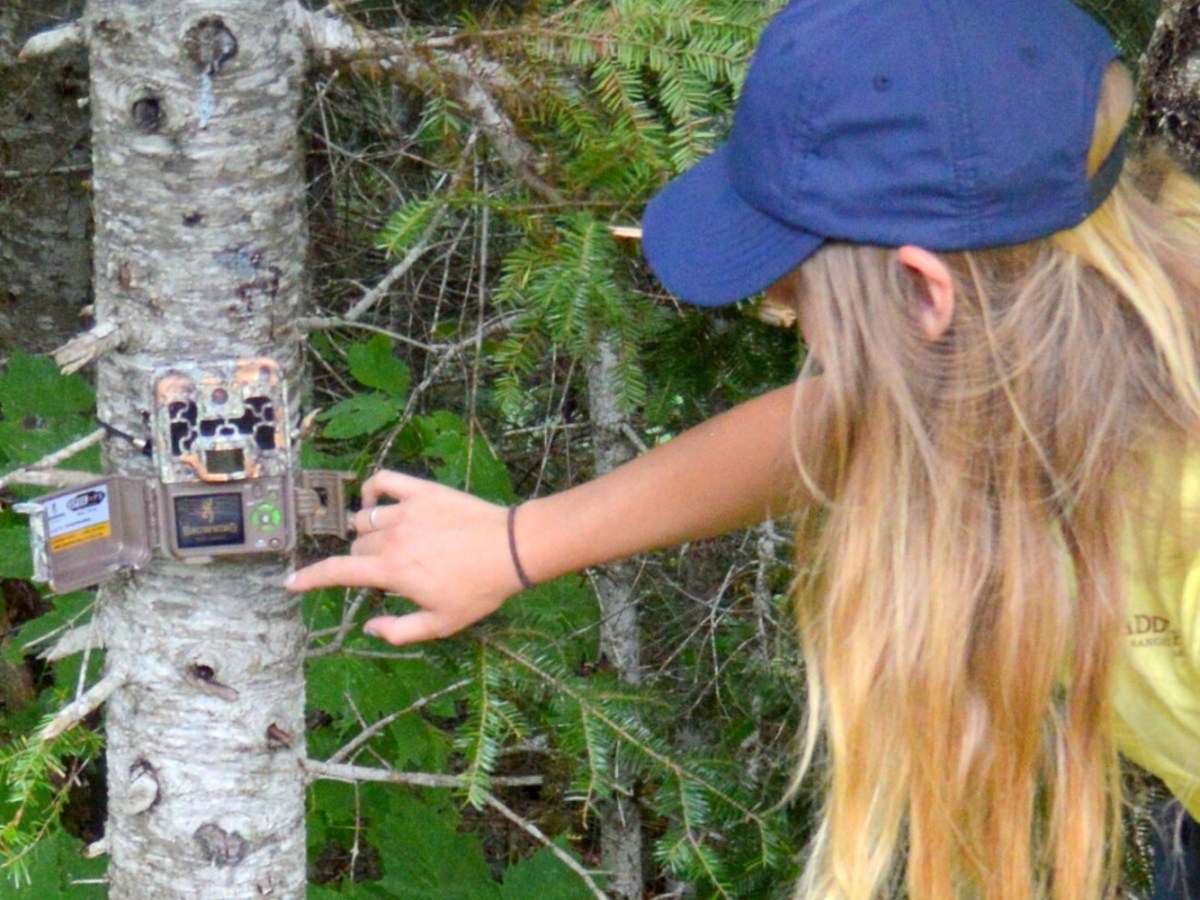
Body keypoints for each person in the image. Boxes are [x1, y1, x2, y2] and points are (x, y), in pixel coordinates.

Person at [288, 0, 1200, 895]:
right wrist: (518, 542)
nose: (786, 321)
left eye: (794, 297)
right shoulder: (1094, 287)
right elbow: (864, 413)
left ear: (927, 294)